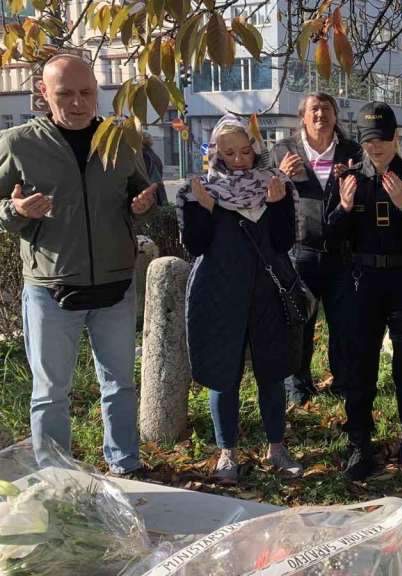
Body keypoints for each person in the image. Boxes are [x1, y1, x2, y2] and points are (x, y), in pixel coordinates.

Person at [0, 54, 157, 475]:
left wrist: (144, 204)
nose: (77, 103)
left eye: (86, 92)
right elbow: (1, 208)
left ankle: (126, 465)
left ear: (97, 90)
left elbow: (140, 195)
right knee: (50, 393)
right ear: (42, 93)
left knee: (120, 386)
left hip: (115, 285)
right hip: (50, 289)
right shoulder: (17, 143)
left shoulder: (121, 140)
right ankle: (56, 478)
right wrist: (16, 211)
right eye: (64, 93)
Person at [179, 115, 304, 484]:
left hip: (267, 292)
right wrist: (204, 209)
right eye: (229, 152)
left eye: (245, 151)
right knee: (223, 374)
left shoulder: (275, 185)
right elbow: (196, 246)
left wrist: (278, 205)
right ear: (215, 152)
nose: (238, 159)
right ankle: (227, 453)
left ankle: (277, 447)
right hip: (218, 292)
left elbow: (283, 245)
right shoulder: (198, 188)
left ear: (257, 148)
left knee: (272, 371)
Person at [327, 102, 402, 484]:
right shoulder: (349, 178)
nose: (375, 148)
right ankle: (360, 443)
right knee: (360, 368)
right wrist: (343, 209)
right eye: (368, 141)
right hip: (364, 282)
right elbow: (330, 238)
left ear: (395, 138)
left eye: (382, 140)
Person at [271, 93, 362, 405]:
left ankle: (344, 382)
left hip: (342, 253)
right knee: (299, 323)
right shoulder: (283, 150)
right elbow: (266, 196)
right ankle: (297, 386)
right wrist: (280, 176)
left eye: (326, 108)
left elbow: (362, 196)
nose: (321, 114)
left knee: (344, 322)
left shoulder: (351, 152)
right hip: (300, 252)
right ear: (303, 118)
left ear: (336, 116)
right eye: (314, 109)